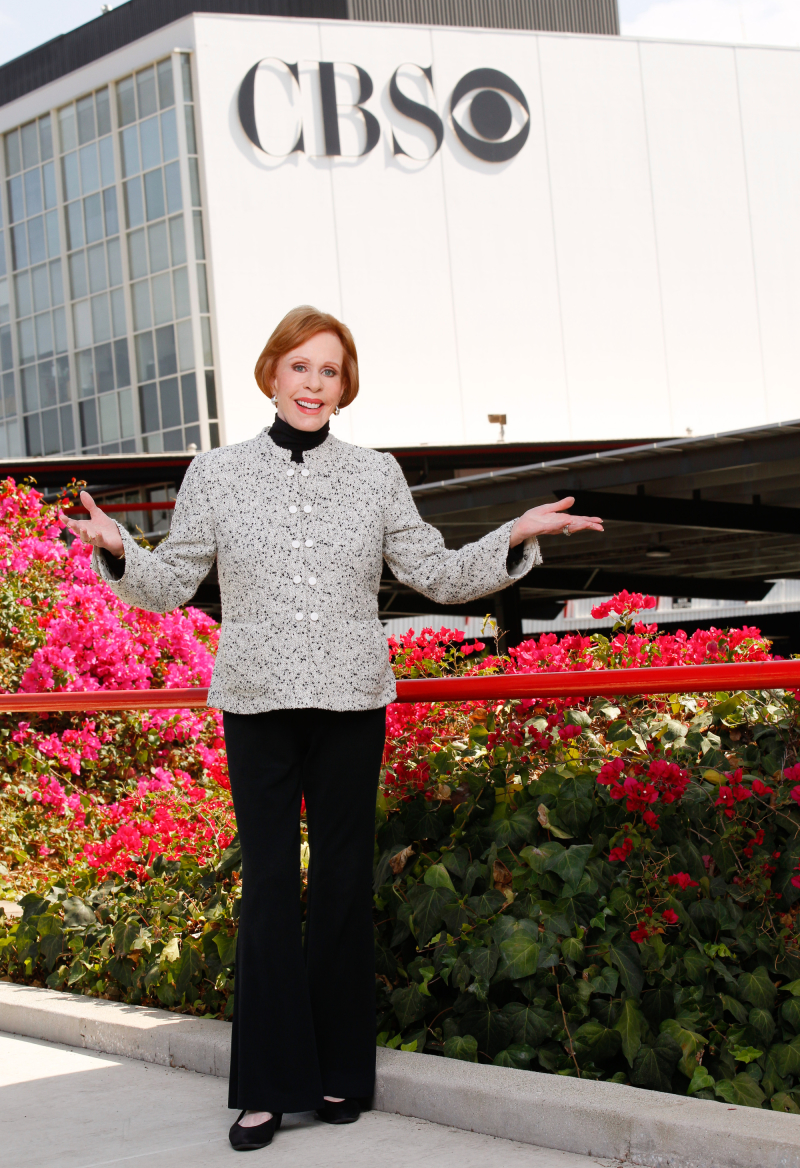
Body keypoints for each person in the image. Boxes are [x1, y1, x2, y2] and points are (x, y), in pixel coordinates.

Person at [63, 306, 603, 1152]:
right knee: (271, 890)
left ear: (344, 386)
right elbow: (170, 585)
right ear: (272, 374)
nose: (314, 384)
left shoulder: (376, 475)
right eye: (301, 366)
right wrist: (120, 549)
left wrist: (515, 535)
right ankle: (268, 1090)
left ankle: (341, 1073)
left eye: (330, 371)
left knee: (346, 887)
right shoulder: (216, 472)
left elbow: (436, 573)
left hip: (353, 704)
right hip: (257, 706)